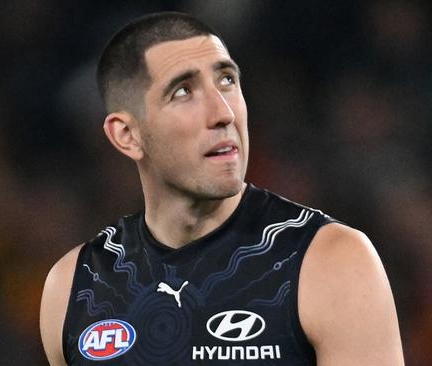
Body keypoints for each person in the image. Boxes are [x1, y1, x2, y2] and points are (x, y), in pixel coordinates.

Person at [40, 12, 404, 365]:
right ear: (127, 135)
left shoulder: (331, 263)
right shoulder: (74, 287)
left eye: (227, 80)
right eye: (183, 91)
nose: (223, 112)